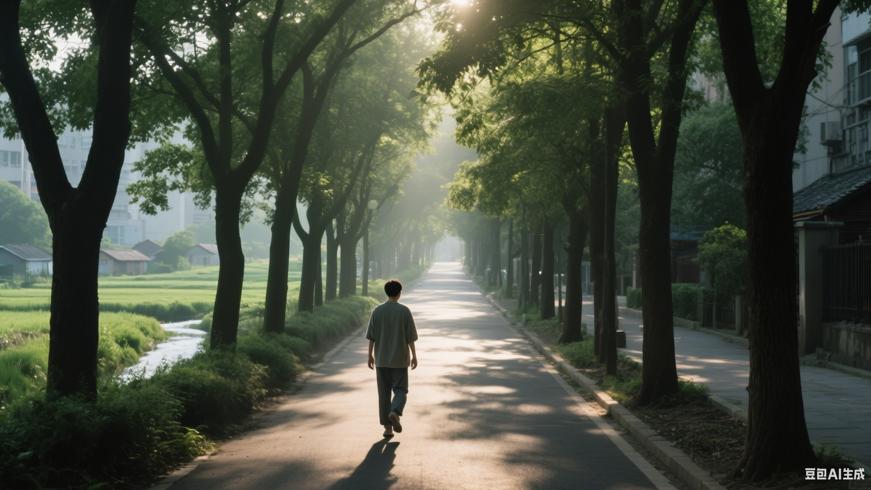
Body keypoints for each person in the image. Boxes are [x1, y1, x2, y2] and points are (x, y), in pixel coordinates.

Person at [366, 279, 418, 439]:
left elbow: (371, 337)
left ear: (386, 292)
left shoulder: (377, 311)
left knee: (384, 394)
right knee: (401, 390)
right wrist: (414, 355)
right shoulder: (404, 311)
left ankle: (388, 429)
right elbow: (410, 337)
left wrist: (370, 355)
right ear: (399, 293)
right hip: (400, 359)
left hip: (381, 359)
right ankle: (395, 412)